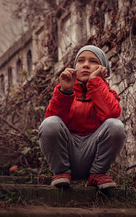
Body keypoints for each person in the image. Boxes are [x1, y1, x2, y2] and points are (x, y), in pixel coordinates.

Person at [38, 45, 126, 189]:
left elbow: (111, 114)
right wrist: (65, 91)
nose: (85, 64)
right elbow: (50, 127)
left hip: (93, 154)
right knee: (50, 122)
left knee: (115, 125)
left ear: (103, 70)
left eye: (93, 61)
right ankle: (60, 173)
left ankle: (97, 174)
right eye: (81, 60)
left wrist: (95, 82)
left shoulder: (108, 93)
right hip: (67, 152)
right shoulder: (64, 89)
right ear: (74, 67)